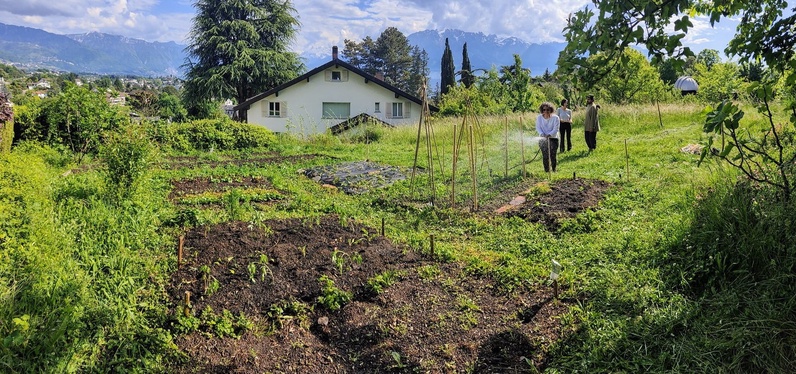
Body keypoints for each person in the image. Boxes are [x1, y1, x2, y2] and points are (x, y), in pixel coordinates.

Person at [535, 102, 560, 173]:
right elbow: (538, 128)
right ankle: (547, 171)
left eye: (547, 110)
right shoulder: (539, 118)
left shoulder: (556, 118)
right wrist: (542, 134)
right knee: (545, 156)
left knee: (553, 155)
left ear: (551, 110)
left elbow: (556, 129)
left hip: (553, 138)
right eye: (544, 110)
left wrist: (549, 135)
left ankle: (554, 170)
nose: (545, 111)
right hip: (543, 138)